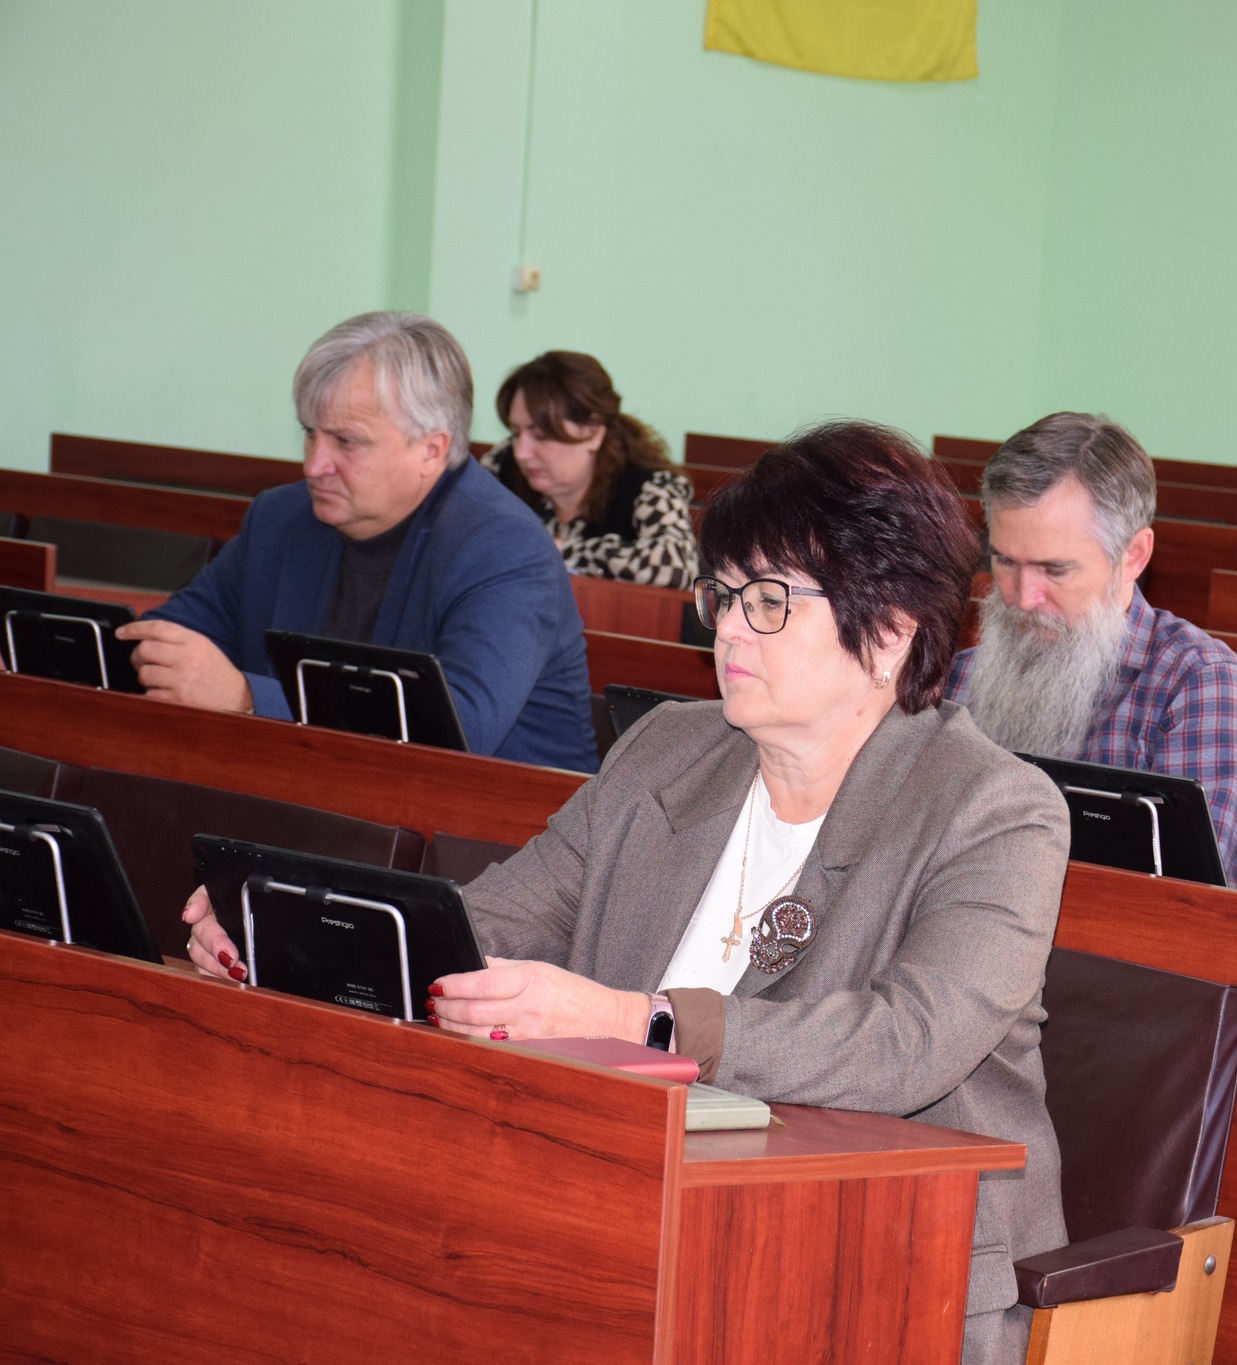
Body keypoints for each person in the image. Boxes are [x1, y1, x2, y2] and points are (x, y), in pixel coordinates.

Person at [184, 420, 1071, 1365]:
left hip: (885, 1271)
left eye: (769, 600)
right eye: (724, 593)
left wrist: (635, 1021)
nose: (729, 627)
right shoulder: (670, 749)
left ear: (890, 629)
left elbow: (905, 1044)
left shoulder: (995, 811)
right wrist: (292, 936)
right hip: (623, 1215)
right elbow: (497, 919)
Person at [116, 312, 596, 772]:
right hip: (317, 793)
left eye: (346, 442)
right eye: (310, 434)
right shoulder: (281, 518)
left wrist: (245, 697)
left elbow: (459, 730)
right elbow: (176, 635)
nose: (314, 465)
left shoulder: (504, 548)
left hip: (503, 820)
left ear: (431, 451)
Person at [945, 412, 1237, 890]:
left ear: (1133, 556)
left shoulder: (1201, 685)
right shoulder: (961, 676)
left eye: (1054, 569)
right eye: (1004, 561)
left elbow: (1181, 897)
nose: (1023, 596)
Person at [481, 350, 698, 587]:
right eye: (515, 433)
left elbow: (676, 567)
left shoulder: (647, 485)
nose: (522, 452)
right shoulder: (501, 464)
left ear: (594, 431)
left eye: (541, 436)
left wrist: (555, 551)